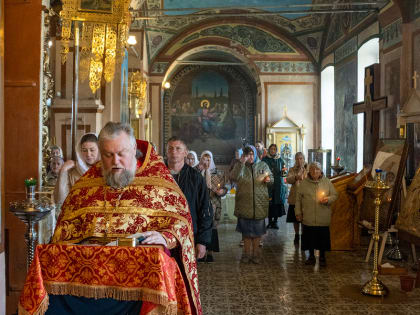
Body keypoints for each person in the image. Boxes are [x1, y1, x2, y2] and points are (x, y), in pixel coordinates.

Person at [51, 122, 201, 314]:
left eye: (121, 154)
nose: (115, 161)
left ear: (134, 150)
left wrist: (166, 237)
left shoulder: (158, 178)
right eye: (108, 155)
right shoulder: (86, 184)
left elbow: (181, 221)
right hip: (91, 280)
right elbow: (65, 232)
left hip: (143, 280)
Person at [166, 136, 213, 261]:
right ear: (166, 151)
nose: (174, 152)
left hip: (189, 235)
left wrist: (202, 241)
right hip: (163, 236)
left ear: (185, 152)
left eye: (178, 148)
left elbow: (205, 209)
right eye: (170, 148)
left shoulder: (195, 177)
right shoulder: (159, 175)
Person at [231, 145, 273, 264]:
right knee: (246, 233)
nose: (250, 157)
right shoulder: (240, 166)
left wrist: (269, 180)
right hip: (244, 203)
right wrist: (241, 164)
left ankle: (256, 254)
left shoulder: (263, 165)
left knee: (257, 232)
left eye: (252, 154)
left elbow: (271, 179)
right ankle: (246, 254)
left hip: (259, 204)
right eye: (247, 154)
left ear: (255, 155)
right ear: (244, 155)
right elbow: (234, 177)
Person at [295, 162, 338, 267]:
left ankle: (322, 256)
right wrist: (298, 212)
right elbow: (298, 199)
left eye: (317, 169)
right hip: (308, 216)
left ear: (321, 171)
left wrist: (327, 199)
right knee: (310, 237)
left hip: (322, 216)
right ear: (309, 171)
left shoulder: (327, 182)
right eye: (313, 169)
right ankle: (311, 257)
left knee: (322, 238)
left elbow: (335, 195)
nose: (315, 171)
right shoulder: (304, 183)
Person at [54, 133, 100, 217]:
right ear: (79, 151)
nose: (88, 154)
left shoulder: (106, 171)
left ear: (99, 149)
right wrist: (63, 170)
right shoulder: (73, 173)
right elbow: (61, 201)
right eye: (84, 150)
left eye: (92, 150)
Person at [195, 150, 227, 262]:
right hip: (199, 205)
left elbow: (223, 187)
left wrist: (222, 191)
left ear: (212, 160)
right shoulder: (196, 172)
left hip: (214, 203)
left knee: (212, 228)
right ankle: (199, 252)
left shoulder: (218, 173)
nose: (207, 162)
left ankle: (210, 252)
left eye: (209, 159)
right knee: (200, 227)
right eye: (204, 159)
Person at [262, 144, 286, 229]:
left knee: (276, 203)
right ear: (269, 150)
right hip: (268, 185)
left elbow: (284, 173)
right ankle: (269, 222)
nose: (273, 150)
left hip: (278, 185)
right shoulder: (265, 159)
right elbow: (262, 170)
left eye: (274, 149)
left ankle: (275, 222)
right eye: (271, 149)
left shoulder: (280, 160)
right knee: (269, 204)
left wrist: (283, 172)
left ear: (276, 150)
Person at [286, 152, 308, 243]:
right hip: (295, 197)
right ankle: (296, 234)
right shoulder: (292, 169)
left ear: (304, 159)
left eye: (301, 158)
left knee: (304, 218)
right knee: (295, 218)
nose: (299, 161)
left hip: (305, 197)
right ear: (295, 160)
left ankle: (303, 235)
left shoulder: (309, 168)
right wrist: (296, 177)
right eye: (297, 159)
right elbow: (288, 179)